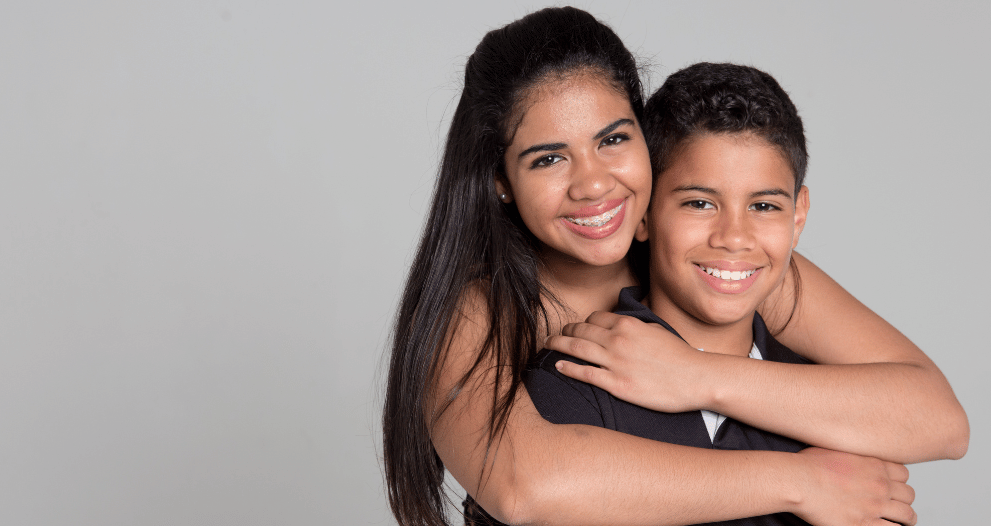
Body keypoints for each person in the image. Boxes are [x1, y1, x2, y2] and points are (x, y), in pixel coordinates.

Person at [383, 7, 968, 526]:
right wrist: (800, 483)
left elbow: (938, 419)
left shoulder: (711, 257)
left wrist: (697, 376)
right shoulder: (476, 314)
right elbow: (524, 487)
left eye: (612, 139)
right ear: (499, 181)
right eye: (549, 158)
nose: (593, 184)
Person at [510, 61, 913, 526]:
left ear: (798, 217)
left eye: (764, 206)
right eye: (699, 203)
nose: (734, 237)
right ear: (641, 213)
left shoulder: (839, 416)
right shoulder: (573, 386)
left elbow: (942, 425)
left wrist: (696, 375)